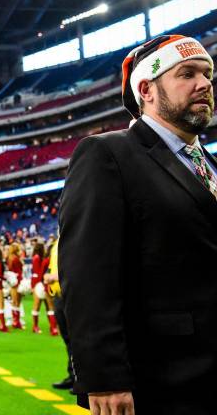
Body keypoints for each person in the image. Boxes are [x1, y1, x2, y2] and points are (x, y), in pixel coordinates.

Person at [59, 34, 216, 414]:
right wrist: (103, 376)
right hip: (162, 378)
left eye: (209, 74)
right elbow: (87, 276)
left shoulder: (207, 162)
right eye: (188, 74)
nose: (205, 84)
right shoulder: (108, 154)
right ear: (146, 88)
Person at [42, 239, 73, 391]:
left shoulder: (71, 239)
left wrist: (56, 276)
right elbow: (51, 267)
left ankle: (81, 378)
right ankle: (73, 376)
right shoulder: (56, 243)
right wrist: (48, 275)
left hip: (71, 295)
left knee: (76, 338)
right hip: (58, 295)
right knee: (68, 339)